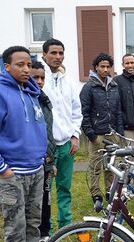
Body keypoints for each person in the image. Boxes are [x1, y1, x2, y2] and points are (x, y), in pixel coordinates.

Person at [0, 46, 47, 242]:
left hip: (36, 170)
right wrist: (2, 168)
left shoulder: (32, 93)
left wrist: (42, 159)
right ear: (6, 66)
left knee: (33, 222)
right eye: (19, 64)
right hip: (11, 174)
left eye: (28, 65)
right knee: (15, 225)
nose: (25, 69)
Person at [41, 38, 82, 229]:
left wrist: (75, 135)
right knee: (45, 190)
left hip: (66, 143)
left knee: (64, 187)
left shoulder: (69, 82)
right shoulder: (39, 80)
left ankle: (65, 226)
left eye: (61, 53)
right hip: (46, 146)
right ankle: (45, 229)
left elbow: (76, 111)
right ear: (44, 55)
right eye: (53, 53)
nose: (58, 57)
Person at [80, 53, 124, 211]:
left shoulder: (113, 86)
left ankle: (109, 192)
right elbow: (83, 113)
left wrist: (119, 132)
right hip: (97, 134)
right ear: (96, 67)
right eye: (102, 66)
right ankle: (96, 195)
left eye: (108, 67)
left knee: (111, 166)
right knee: (95, 167)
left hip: (112, 133)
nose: (105, 69)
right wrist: (90, 134)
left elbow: (118, 111)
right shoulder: (89, 87)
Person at [30, 61, 65, 242]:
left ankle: (45, 238)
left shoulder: (43, 99)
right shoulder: (27, 100)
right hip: (33, 163)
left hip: (47, 160)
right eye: (35, 77)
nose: (40, 81)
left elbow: (48, 134)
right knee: (35, 205)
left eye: (42, 78)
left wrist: (50, 161)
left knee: (46, 200)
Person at [114, 54, 134, 141]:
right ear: (123, 65)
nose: (130, 65)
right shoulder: (116, 82)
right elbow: (115, 106)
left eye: (132, 63)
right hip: (126, 129)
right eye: (127, 63)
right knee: (128, 154)